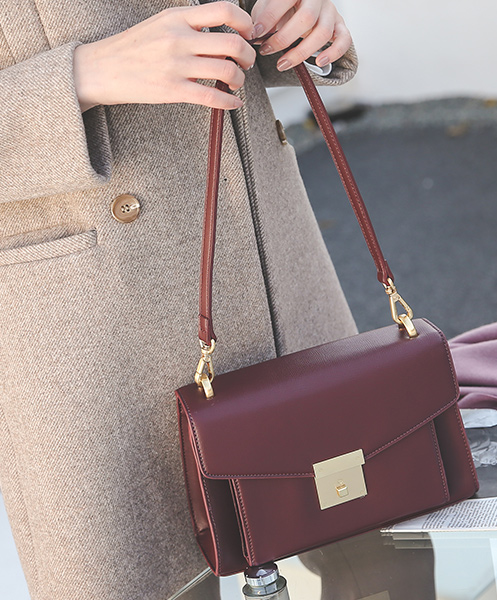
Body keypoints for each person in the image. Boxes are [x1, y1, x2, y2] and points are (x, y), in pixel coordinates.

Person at [0, 1, 358, 598]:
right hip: (93, 318)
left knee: (375, 555)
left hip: (274, 255)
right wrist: (80, 76)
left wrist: (304, 25)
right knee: (140, 572)